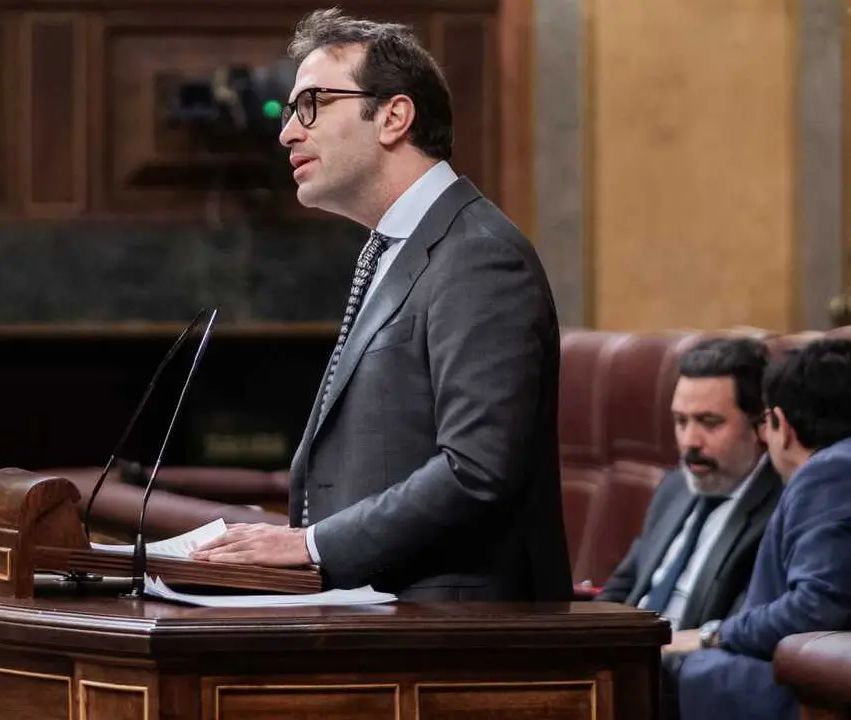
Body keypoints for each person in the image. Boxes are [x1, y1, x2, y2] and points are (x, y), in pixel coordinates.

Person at [192, 8, 570, 602]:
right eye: (291, 109)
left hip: (457, 638)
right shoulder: (401, 245)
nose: (288, 130)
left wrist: (311, 546)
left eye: (312, 103)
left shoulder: (479, 256)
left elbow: (476, 470)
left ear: (393, 115)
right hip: (383, 621)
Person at [675, 338, 851, 720]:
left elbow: (815, 609)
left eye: (764, 424)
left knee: (656, 672)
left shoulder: (832, 474)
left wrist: (714, 635)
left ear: (781, 425)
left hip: (816, 697)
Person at [596, 337, 782, 635]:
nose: (690, 441)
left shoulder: (779, 511)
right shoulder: (674, 488)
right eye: (681, 421)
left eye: (709, 422)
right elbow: (619, 592)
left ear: (761, 425)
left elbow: (740, 631)